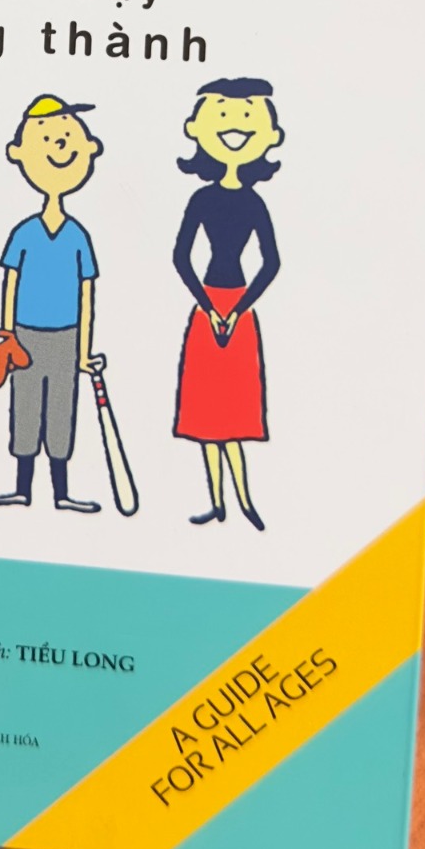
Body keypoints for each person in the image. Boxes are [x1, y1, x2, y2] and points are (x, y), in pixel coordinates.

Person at [170, 78, 284, 529]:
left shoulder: (254, 203)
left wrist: (236, 310)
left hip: (236, 307)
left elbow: (272, 262)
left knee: (233, 418)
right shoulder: (201, 198)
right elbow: (181, 257)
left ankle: (245, 502)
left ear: (270, 135)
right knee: (206, 419)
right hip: (210, 307)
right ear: (196, 128)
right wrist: (208, 305)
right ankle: (217, 503)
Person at [0, 95, 104, 514]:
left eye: (68, 137)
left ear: (89, 149)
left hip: (67, 337)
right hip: (26, 335)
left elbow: (87, 294)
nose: (60, 147)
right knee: (25, 407)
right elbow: (10, 284)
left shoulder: (77, 236)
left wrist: (84, 351)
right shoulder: (25, 233)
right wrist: (6, 335)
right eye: (47, 139)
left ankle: (61, 492)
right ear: (20, 152)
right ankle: (22, 487)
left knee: (61, 412)